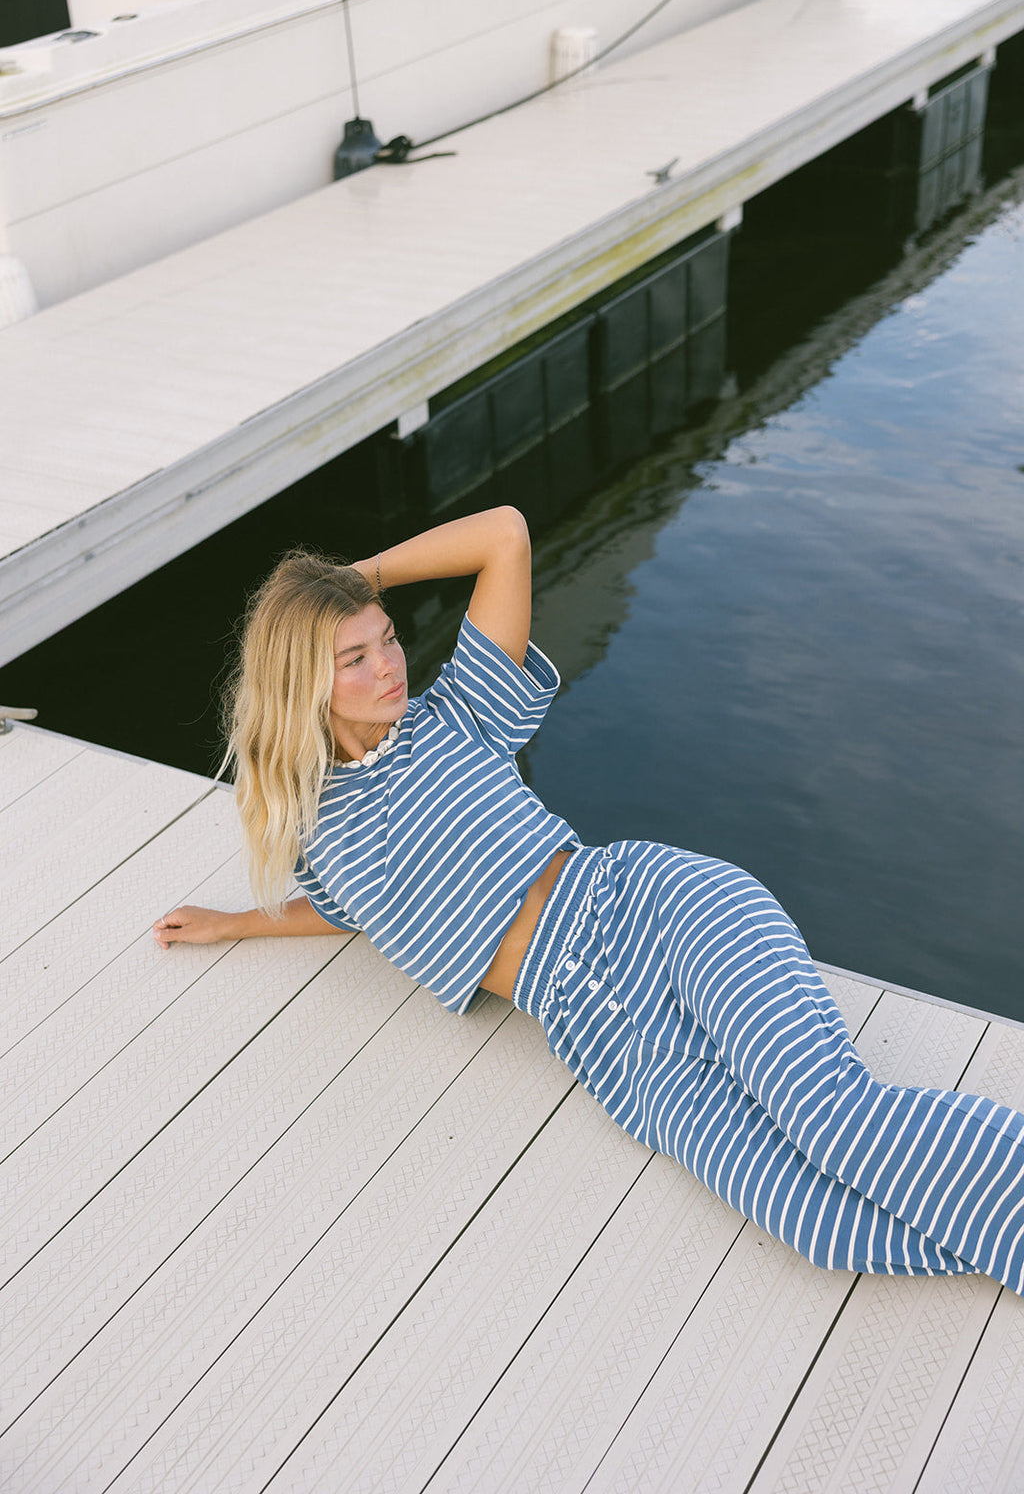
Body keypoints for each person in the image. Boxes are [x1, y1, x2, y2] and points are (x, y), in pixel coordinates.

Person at [154, 506, 1024, 1291]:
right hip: (597, 1030)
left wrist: (352, 583)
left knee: (831, 1118)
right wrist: (236, 925)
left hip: (653, 911)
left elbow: (504, 534)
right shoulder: (313, 827)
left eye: (386, 638)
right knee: (815, 1225)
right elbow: (358, 908)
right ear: (303, 677)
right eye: (355, 656)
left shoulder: (456, 717)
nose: (390, 665)